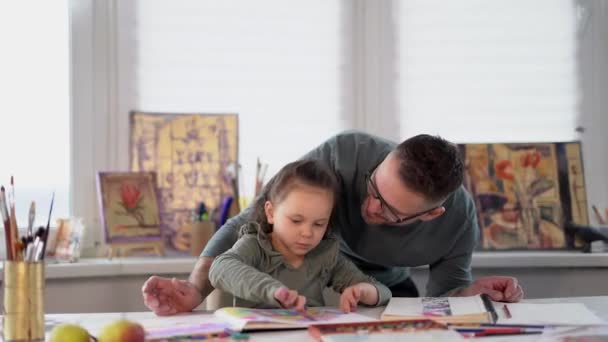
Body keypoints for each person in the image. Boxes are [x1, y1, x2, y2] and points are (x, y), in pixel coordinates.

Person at [142, 131, 524, 316]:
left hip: (382, 288)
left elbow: (441, 302)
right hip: (318, 277)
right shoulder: (344, 155)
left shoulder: (457, 224)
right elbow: (251, 218)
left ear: (429, 215)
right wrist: (194, 288)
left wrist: (471, 292)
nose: (370, 208)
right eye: (373, 187)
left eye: (389, 211)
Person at [208, 160, 391, 312]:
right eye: (296, 221)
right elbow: (220, 267)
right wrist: (273, 291)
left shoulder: (326, 254)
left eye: (319, 224)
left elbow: (383, 291)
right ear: (271, 213)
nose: (307, 233)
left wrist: (363, 291)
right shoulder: (255, 245)